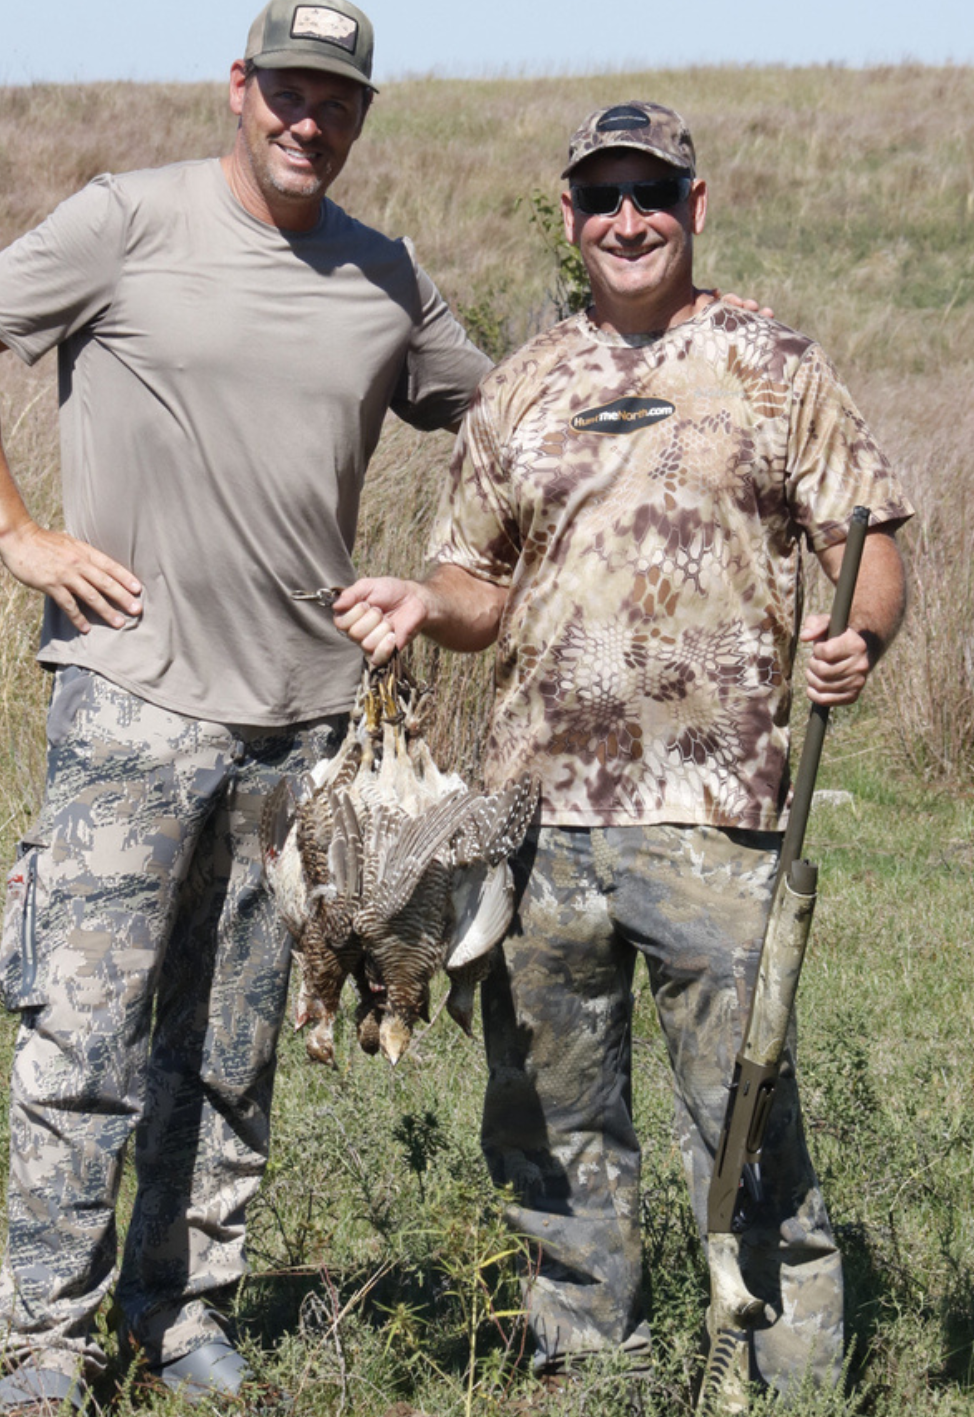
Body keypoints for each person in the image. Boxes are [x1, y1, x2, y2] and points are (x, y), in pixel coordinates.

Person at [0, 2, 492, 1409]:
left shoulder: (386, 276)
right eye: (288, 91)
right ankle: (47, 1346)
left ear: (363, 114)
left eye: (337, 101)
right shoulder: (127, 221)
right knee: (83, 1040)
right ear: (238, 89)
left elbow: (503, 418)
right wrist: (14, 531)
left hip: (303, 730)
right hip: (132, 706)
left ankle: (181, 1318)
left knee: (231, 1046)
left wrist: (448, 576)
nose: (310, 121)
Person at [334, 101, 915, 1407]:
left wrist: (857, 636)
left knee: (744, 1109)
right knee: (549, 1115)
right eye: (603, 197)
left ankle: (787, 1373)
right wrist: (428, 605)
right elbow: (476, 581)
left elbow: (864, 539)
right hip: (536, 816)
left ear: (695, 208)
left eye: (652, 193)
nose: (628, 219)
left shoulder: (773, 361)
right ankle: (588, 1360)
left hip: (715, 809)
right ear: (570, 218)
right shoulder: (524, 384)